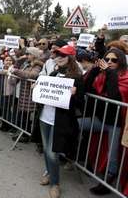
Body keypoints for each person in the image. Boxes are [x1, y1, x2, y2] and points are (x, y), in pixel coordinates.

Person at [37, 45, 84, 198]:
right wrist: (36, 88)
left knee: (52, 153)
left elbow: (81, 103)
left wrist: (75, 94)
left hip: (60, 121)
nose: (59, 57)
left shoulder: (77, 77)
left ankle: (55, 184)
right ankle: (50, 173)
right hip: (45, 117)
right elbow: (44, 91)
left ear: (70, 57)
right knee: (46, 149)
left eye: (63, 55)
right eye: (57, 54)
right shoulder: (53, 73)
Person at [81, 48, 128, 195]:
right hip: (101, 119)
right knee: (74, 126)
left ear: (121, 61)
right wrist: (94, 70)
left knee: (112, 155)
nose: (109, 62)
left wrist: (110, 72)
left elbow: (114, 97)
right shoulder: (102, 74)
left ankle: (108, 182)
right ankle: (78, 158)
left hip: (116, 123)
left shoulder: (125, 77)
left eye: (114, 60)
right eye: (107, 59)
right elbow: (86, 88)